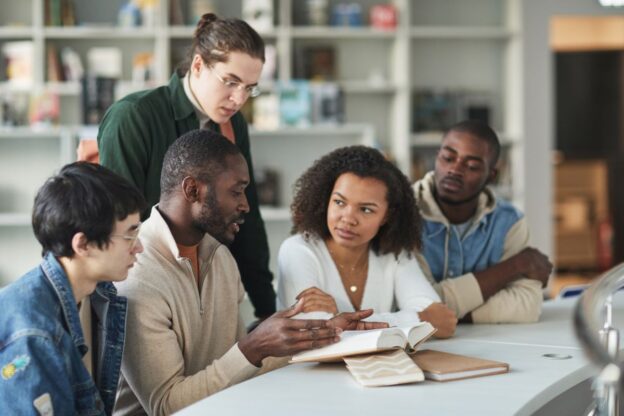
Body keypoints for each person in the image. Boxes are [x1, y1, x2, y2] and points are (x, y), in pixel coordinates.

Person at [114, 130, 386, 415]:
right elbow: (166, 406)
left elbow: (235, 369)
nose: (245, 205)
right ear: (193, 190)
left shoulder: (220, 257)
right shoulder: (136, 274)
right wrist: (253, 347)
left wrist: (323, 333)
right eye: (236, 191)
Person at [97, 13, 275, 320]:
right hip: (141, 286)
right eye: (231, 82)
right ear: (198, 65)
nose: (239, 99)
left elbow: (248, 217)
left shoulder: (234, 125)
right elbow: (117, 225)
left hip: (205, 281)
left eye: (249, 88)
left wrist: (267, 309)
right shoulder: (134, 116)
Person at [0, 162, 146, 415]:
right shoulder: (33, 335)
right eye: (129, 235)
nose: (139, 247)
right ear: (83, 244)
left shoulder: (100, 294)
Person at [277, 146, 457, 338]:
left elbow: (442, 322)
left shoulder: (394, 253)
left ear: (386, 216)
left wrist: (339, 319)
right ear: (326, 199)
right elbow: (317, 333)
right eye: (339, 202)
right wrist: (417, 318)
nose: (348, 219)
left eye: (366, 209)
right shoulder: (297, 250)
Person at [413, 119, 553, 324]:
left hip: (490, 340)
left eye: (472, 166)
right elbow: (418, 306)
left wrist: (443, 314)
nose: (454, 169)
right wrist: (515, 266)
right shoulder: (404, 213)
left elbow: (527, 306)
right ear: (437, 157)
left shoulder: (509, 222)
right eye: (448, 158)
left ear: (491, 175)